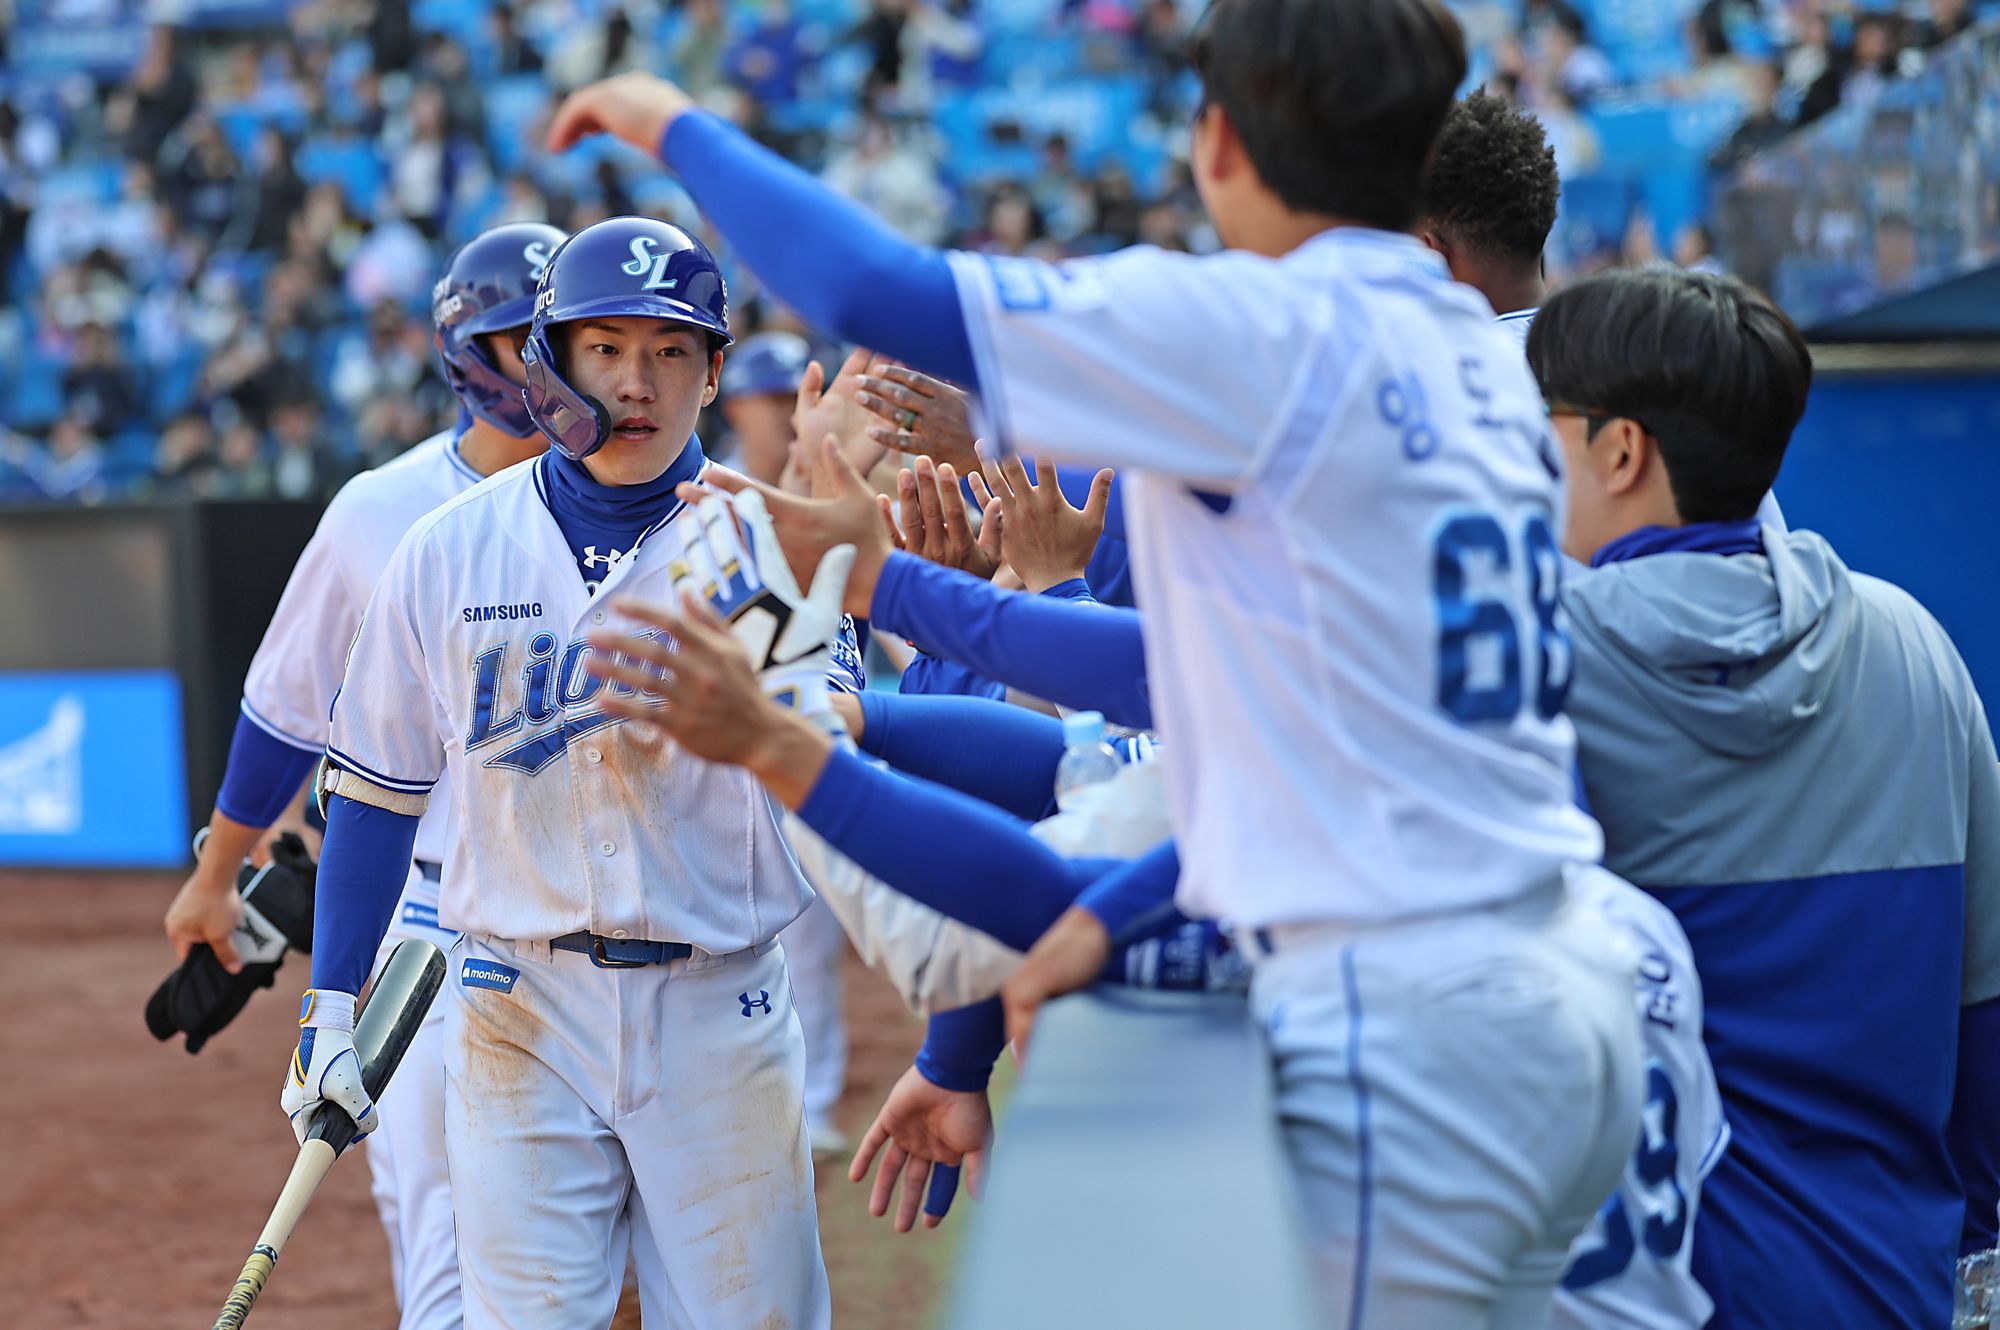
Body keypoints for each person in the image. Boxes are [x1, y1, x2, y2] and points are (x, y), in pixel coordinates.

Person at [545, 0, 1645, 1316]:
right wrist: (903, 600)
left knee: (937, 920)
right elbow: (1204, 705)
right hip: (1582, 974)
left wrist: (667, 119)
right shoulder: (1488, 358)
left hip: (1400, 1012)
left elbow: (872, 291)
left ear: (1221, 144)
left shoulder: (1264, 326)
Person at [280, 216, 840, 1330]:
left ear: (713, 373)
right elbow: (378, 791)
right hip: (515, 1005)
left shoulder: (770, 545)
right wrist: (331, 1004)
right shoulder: (446, 550)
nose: (637, 383)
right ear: (549, 363)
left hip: (719, 1001)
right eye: (605, 348)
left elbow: (837, 762)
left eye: (671, 351)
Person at [1531, 266, 2000, 1329]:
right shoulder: (1915, 646)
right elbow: (1985, 1019)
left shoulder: (1538, 673)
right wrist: (1953, 1246)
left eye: (1538, 422)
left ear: (1620, 450)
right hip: (1892, 1288)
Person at [161, 221, 564, 1330]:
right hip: (431, 916)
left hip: (598, 912)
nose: (547, 362)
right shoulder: (381, 509)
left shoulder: (636, 497)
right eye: (521, 339)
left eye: (562, 337)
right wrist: (217, 874)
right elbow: (286, 710)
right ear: (467, 354)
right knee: (444, 1237)